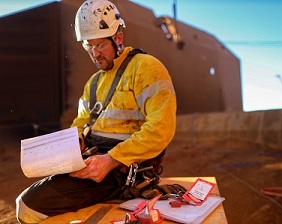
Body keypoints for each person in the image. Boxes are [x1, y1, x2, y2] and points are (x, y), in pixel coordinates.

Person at [15, 0, 176, 223]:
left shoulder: (146, 68)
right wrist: (73, 144)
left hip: (126, 169)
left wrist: (112, 159)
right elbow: (81, 122)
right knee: (29, 199)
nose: (94, 54)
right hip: (94, 159)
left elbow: (161, 129)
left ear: (118, 38)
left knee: (30, 206)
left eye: (100, 45)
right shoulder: (93, 83)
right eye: (88, 46)